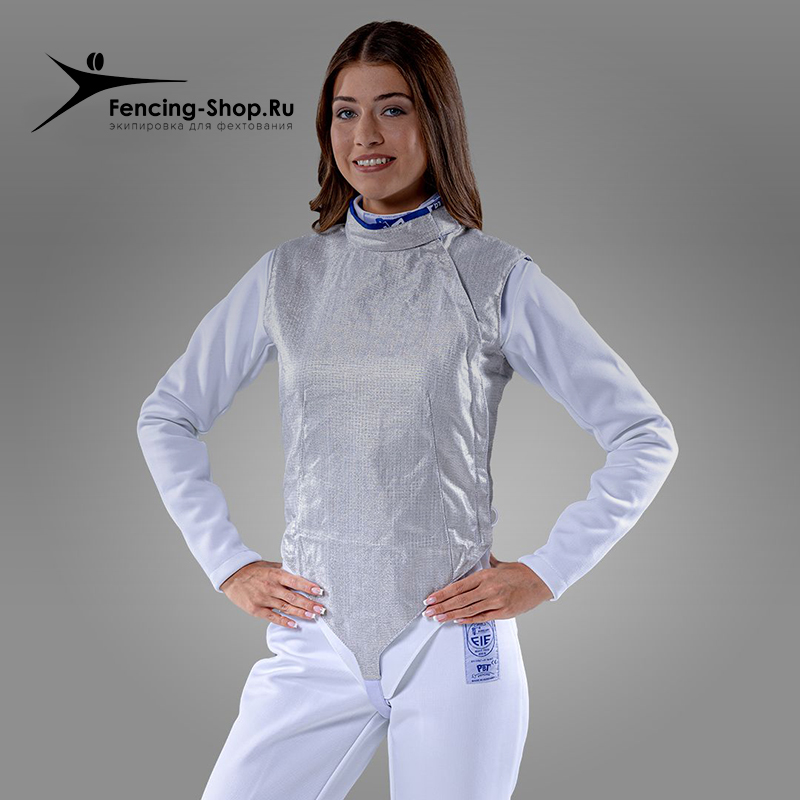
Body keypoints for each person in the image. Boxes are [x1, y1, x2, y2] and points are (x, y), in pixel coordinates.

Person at [137, 20, 679, 800]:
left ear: (436, 120)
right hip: (313, 640)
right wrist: (227, 563)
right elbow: (167, 414)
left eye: (393, 109)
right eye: (344, 112)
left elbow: (644, 434)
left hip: (451, 640)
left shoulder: (493, 276)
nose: (365, 135)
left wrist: (546, 571)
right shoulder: (287, 277)